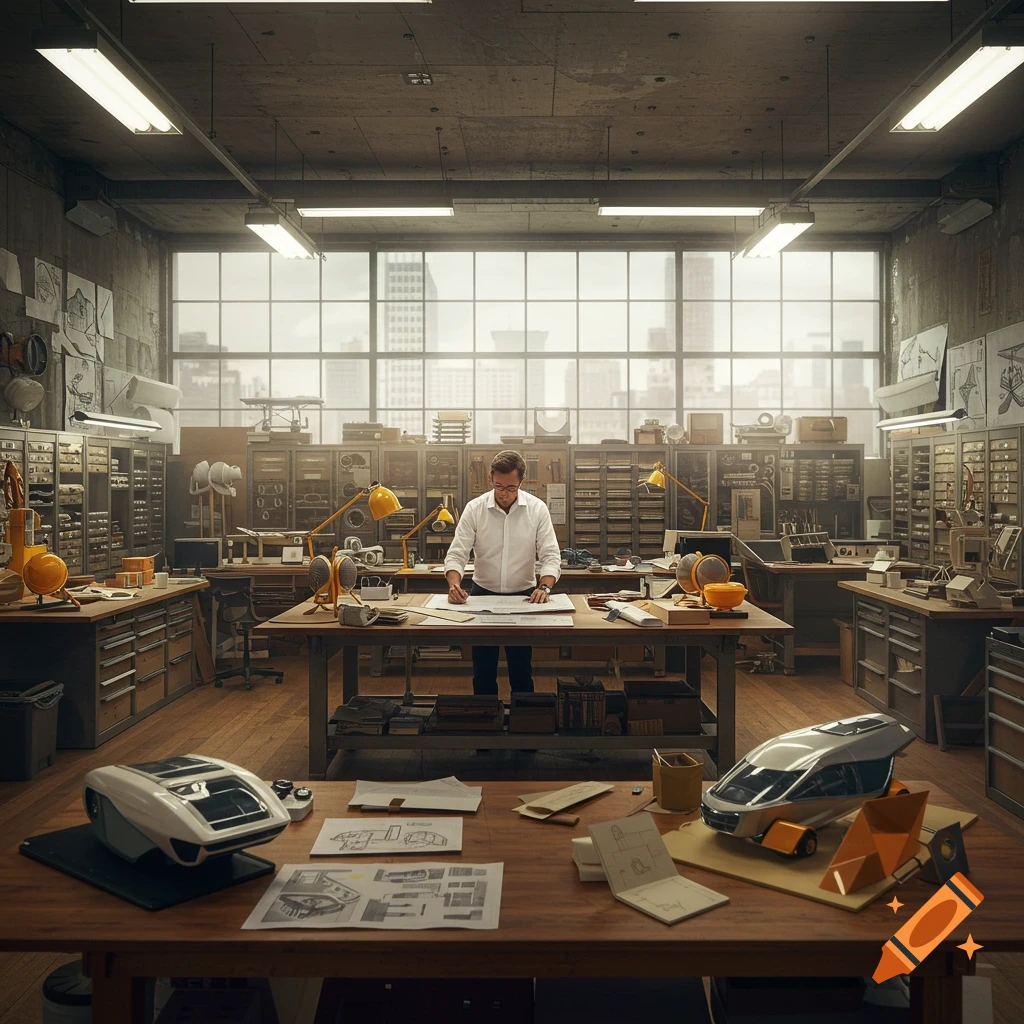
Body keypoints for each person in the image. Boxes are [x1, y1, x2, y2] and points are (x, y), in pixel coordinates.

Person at [443, 450, 561, 696]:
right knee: (483, 672)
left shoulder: (537, 509)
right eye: (498, 486)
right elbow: (457, 554)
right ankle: (484, 726)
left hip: (525, 596)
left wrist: (545, 587)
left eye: (510, 487)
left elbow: (550, 555)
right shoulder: (474, 509)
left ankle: (525, 726)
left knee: (521, 671)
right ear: (489, 479)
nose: (504, 493)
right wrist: (454, 585)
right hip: (481, 595)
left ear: (522, 481)